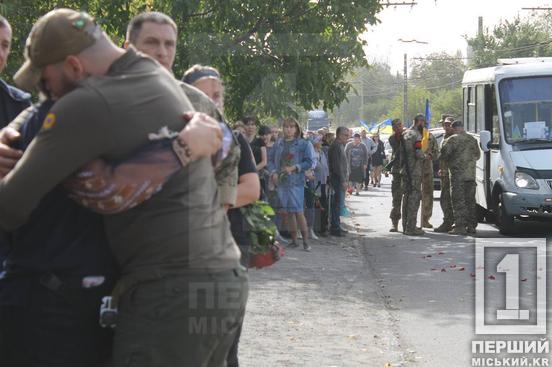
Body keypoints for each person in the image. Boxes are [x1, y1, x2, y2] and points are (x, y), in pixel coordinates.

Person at [1, 9, 247, 366]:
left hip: (170, 291)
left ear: (73, 65)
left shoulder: (89, 102)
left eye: (46, 80)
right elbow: (222, 146)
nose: (45, 91)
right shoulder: (152, 75)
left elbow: (9, 207)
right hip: (222, 279)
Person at [182, 64, 260, 367]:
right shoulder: (171, 138)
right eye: (205, 95)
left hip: (229, 245)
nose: (214, 101)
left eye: (218, 95)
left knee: (223, 341)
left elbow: (251, 189)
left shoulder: (235, 140)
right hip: (183, 251)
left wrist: (204, 205)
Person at [268, 118, 314, 251]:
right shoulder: (279, 143)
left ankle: (305, 241)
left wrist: (295, 167)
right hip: (281, 182)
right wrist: (273, 172)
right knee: (288, 212)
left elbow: (309, 162)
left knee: (298, 211)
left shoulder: (303, 144)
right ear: (282, 128)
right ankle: (294, 240)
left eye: (291, 127)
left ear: (296, 129)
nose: (288, 129)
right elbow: (270, 160)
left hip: (296, 182)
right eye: (286, 127)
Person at [440, 120, 481, 235]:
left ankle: (460, 227)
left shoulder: (452, 140)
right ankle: (472, 226)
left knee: (458, 201)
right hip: (470, 176)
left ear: (454, 128)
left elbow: (443, 156)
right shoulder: (472, 140)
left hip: (458, 176)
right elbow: (477, 156)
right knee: (470, 201)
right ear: (462, 127)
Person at [401, 114, 427, 236]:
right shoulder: (416, 135)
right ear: (419, 122)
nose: (424, 124)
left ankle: (405, 226)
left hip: (405, 171)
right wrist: (426, 156)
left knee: (406, 197)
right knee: (414, 198)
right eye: (423, 122)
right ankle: (411, 228)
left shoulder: (405, 133)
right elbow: (418, 153)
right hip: (414, 171)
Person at [434, 115, 455, 233]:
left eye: (448, 124)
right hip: (444, 173)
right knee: (445, 199)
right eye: (444, 124)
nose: (446, 126)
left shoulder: (454, 138)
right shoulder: (444, 137)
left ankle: (449, 222)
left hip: (452, 173)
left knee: (448, 199)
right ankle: (448, 221)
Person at [328, 126, 349, 237]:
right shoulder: (336, 146)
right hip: (337, 179)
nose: (347, 137)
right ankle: (335, 228)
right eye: (346, 135)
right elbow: (337, 166)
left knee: (339, 204)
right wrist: (343, 180)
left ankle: (337, 225)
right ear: (339, 135)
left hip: (340, 179)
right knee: (336, 204)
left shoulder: (340, 145)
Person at [420, 127, 439, 228]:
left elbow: (436, 153)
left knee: (427, 195)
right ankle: (410, 220)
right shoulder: (412, 136)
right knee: (412, 195)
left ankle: (425, 220)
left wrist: (431, 155)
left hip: (427, 169)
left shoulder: (430, 137)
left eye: (424, 123)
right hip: (414, 169)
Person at [388, 118, 405, 232]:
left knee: (410, 199)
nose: (398, 127)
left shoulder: (408, 135)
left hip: (408, 171)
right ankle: (395, 223)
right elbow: (398, 148)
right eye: (395, 126)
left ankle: (408, 223)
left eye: (399, 125)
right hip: (397, 170)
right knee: (396, 198)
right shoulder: (393, 138)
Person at [312, 136, 329, 236]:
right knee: (316, 205)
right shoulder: (312, 154)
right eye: (319, 142)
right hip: (315, 184)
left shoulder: (322, 153)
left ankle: (323, 227)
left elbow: (325, 168)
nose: (321, 143)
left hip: (323, 183)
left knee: (324, 205)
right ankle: (315, 227)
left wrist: (327, 179)